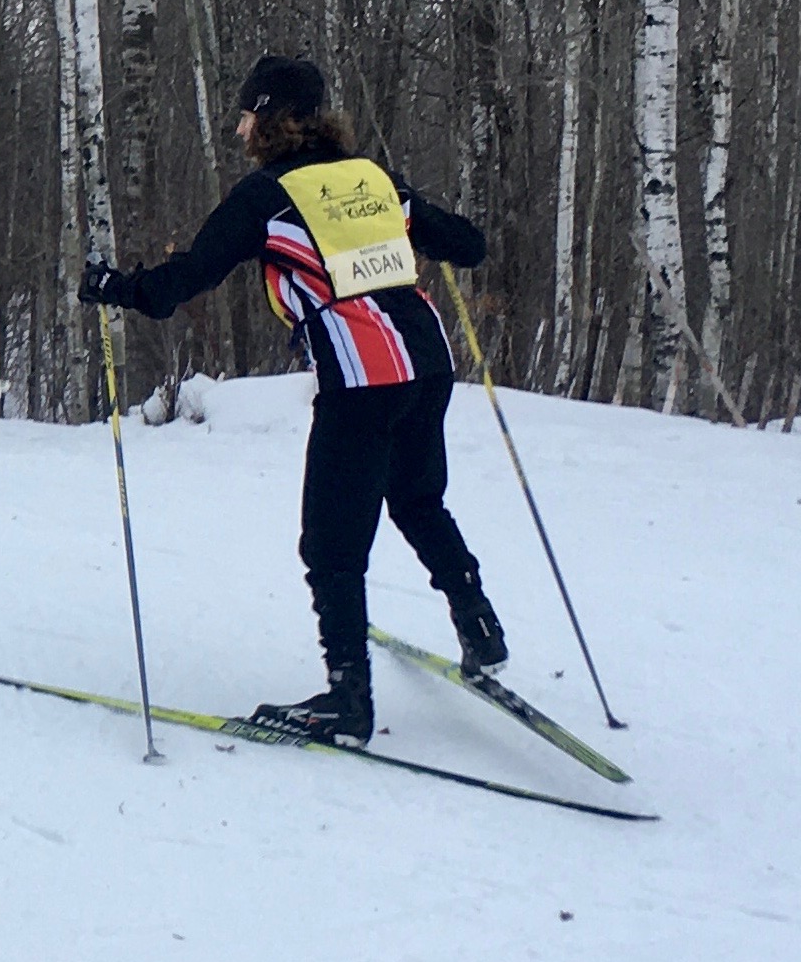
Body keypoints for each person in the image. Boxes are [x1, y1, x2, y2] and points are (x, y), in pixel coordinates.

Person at [81, 53, 506, 743]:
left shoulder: (267, 196)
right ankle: (478, 621)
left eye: (247, 113)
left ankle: (349, 699)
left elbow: (184, 279)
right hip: (427, 363)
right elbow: (469, 243)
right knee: (418, 499)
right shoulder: (373, 178)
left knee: (331, 546)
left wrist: (115, 288)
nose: (240, 127)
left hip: (362, 375)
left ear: (271, 118)